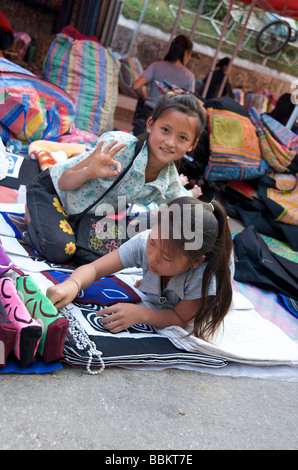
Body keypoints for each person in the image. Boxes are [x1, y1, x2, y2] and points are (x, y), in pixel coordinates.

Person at [24, 92, 206, 264]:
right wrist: (89, 172)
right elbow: (63, 182)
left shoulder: (170, 182)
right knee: (61, 249)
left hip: (87, 216)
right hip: (54, 194)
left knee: (100, 258)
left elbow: (177, 219)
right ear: (150, 125)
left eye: (182, 137)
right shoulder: (119, 146)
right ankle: (32, 213)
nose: (170, 142)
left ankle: (65, 228)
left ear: (192, 144)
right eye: (165, 130)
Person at [46, 196, 234, 340]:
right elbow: (95, 269)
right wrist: (73, 283)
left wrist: (142, 314)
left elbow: (181, 317)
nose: (153, 258)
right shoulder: (145, 243)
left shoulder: (203, 275)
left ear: (195, 262)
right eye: (153, 243)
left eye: (166, 258)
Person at [132, 35, 195, 136]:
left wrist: (143, 96)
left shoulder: (156, 66)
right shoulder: (189, 76)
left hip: (147, 115)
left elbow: (136, 86)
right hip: (171, 120)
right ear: (186, 53)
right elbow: (189, 103)